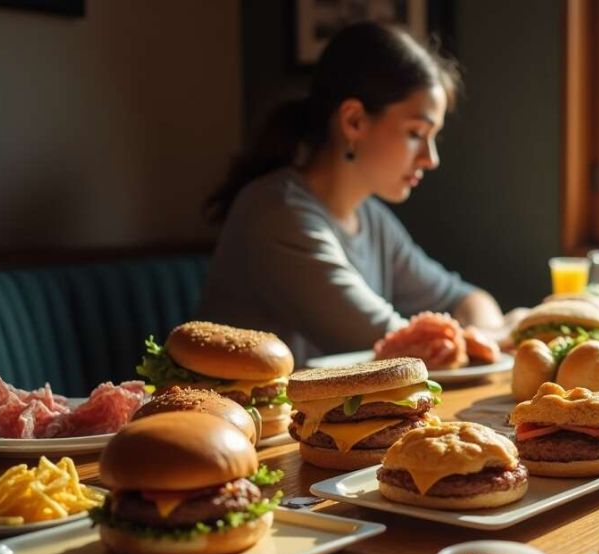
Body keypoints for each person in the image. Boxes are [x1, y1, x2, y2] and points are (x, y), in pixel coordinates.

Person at [197, 22, 509, 361]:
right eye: (416, 133)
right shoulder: (277, 214)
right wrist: (497, 335)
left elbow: (467, 298)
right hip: (245, 413)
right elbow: (394, 347)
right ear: (354, 121)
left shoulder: (370, 217)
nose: (430, 159)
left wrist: (485, 333)